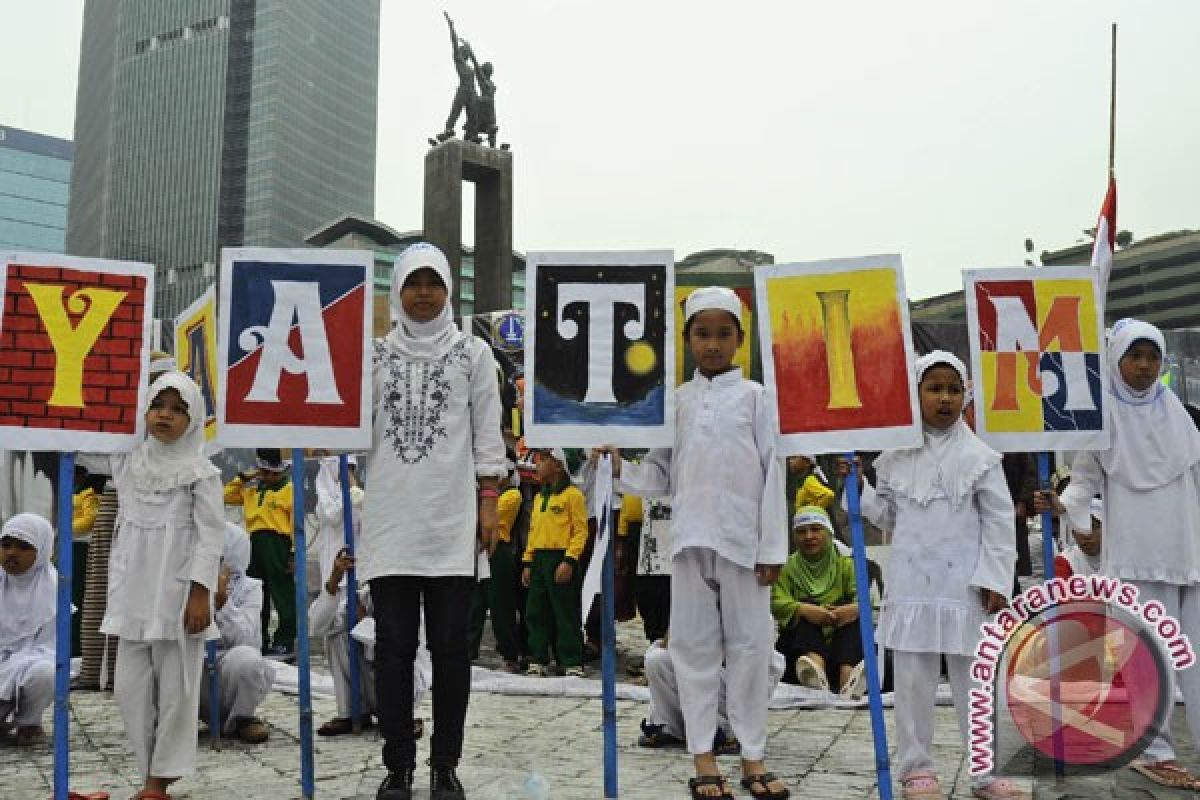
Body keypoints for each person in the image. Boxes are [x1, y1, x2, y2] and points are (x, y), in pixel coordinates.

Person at [605, 286, 790, 800]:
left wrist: (772, 546)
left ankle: (753, 755)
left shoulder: (758, 399)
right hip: (688, 542)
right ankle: (703, 757)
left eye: (723, 334)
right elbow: (661, 473)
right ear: (686, 339)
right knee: (693, 650)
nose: (712, 344)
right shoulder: (676, 401)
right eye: (702, 334)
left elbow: (774, 473)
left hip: (745, 545)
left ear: (739, 339)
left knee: (753, 649)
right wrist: (621, 470)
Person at [359, 242, 506, 800]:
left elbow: (488, 431)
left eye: (434, 283)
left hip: (452, 522)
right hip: (392, 520)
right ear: (397, 290)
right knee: (393, 649)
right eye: (413, 283)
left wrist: (489, 497)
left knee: (450, 649)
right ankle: (398, 765)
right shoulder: (372, 355)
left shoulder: (474, 353)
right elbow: (348, 429)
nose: (423, 293)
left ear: (449, 290)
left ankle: (446, 765)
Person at [841, 351, 1022, 800]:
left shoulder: (982, 458)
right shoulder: (894, 456)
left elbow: (1000, 523)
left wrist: (996, 578)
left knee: (976, 681)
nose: (944, 398)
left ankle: (984, 771)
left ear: (965, 396)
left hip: (967, 587)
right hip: (912, 585)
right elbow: (883, 515)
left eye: (953, 389)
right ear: (916, 393)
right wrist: (856, 485)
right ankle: (916, 770)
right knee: (913, 682)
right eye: (934, 388)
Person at [1036, 319, 1200, 791]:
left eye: (1152, 356)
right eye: (1135, 356)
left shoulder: (1179, 415)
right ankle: (1155, 750)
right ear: (1116, 360)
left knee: (1194, 657)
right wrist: (1066, 508)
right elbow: (1083, 482)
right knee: (1150, 655)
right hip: (1135, 556)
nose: (1145, 366)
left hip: (1186, 552)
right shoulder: (1102, 419)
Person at [88, 371, 224, 800]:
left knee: (177, 692)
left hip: (179, 595)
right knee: (130, 690)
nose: (165, 416)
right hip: (132, 591)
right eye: (157, 406)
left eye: (178, 409)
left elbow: (211, 535)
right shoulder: (127, 461)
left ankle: (158, 780)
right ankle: (148, 770)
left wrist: (200, 593)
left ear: (194, 418)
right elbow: (83, 442)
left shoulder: (201, 473)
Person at [312, 548, 435, 738]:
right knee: (336, 634)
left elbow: (393, 645)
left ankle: (401, 715)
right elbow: (317, 626)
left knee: (392, 649)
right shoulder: (362, 596)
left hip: (404, 685)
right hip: (370, 684)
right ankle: (354, 713)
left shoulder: (410, 598)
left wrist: (362, 623)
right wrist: (334, 580)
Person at [639, 632, 786, 755]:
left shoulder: (746, 604)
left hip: (740, 682)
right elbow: (670, 644)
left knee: (692, 669)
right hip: (703, 670)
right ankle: (671, 728)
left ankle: (727, 732)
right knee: (657, 660)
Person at [771, 506, 864, 696]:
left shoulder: (846, 565)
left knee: (854, 617)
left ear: (828, 533)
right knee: (805, 609)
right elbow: (776, 602)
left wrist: (846, 612)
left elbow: (867, 601)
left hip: (842, 652)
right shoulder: (786, 568)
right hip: (799, 658)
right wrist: (806, 610)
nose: (808, 536)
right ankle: (814, 671)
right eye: (801, 531)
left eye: (815, 529)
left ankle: (848, 679)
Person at [198, 524, 273, 743]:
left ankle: (242, 719)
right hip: (194, 670)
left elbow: (247, 639)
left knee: (248, 659)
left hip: (227, 673)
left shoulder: (250, 588)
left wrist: (223, 607)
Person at [520, 448, 588, 677]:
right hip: (540, 558)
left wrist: (570, 559)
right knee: (536, 610)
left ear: (559, 466)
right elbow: (533, 531)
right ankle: (538, 657)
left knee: (565, 611)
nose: (538, 463)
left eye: (545, 459)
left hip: (561, 558)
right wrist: (528, 561)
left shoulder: (573, 496)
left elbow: (580, 531)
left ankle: (571, 660)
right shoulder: (540, 497)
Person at [224, 449, 296, 660]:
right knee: (256, 592)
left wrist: (293, 553)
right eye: (265, 472)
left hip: (278, 543)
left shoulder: (289, 490)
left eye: (275, 473)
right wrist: (246, 477)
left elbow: (295, 523)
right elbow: (225, 494)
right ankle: (260, 639)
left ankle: (284, 641)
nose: (271, 476)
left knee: (283, 595)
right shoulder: (251, 490)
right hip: (253, 542)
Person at [0, 513, 56, 746]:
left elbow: (49, 647)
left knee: (46, 672)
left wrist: (13, 666)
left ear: (42, 550)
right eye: (6, 545)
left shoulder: (53, 588)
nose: (12, 553)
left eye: (24, 547)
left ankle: (28, 722)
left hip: (32, 662)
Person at [468, 455, 524, 672]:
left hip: (499, 551)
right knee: (476, 602)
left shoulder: (512, 495)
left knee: (501, 605)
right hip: (482, 549)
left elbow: (492, 517)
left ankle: (510, 653)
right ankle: (468, 649)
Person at [312, 452, 364, 587]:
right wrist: (349, 491)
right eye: (346, 468)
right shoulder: (325, 493)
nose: (349, 473)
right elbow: (332, 516)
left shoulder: (355, 492)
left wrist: (353, 490)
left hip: (354, 560)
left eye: (352, 468)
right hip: (333, 560)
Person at [1052, 497, 1103, 579]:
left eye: (1093, 526)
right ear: (1073, 533)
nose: (1086, 535)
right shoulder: (1065, 561)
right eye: (1080, 528)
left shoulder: (1119, 558)